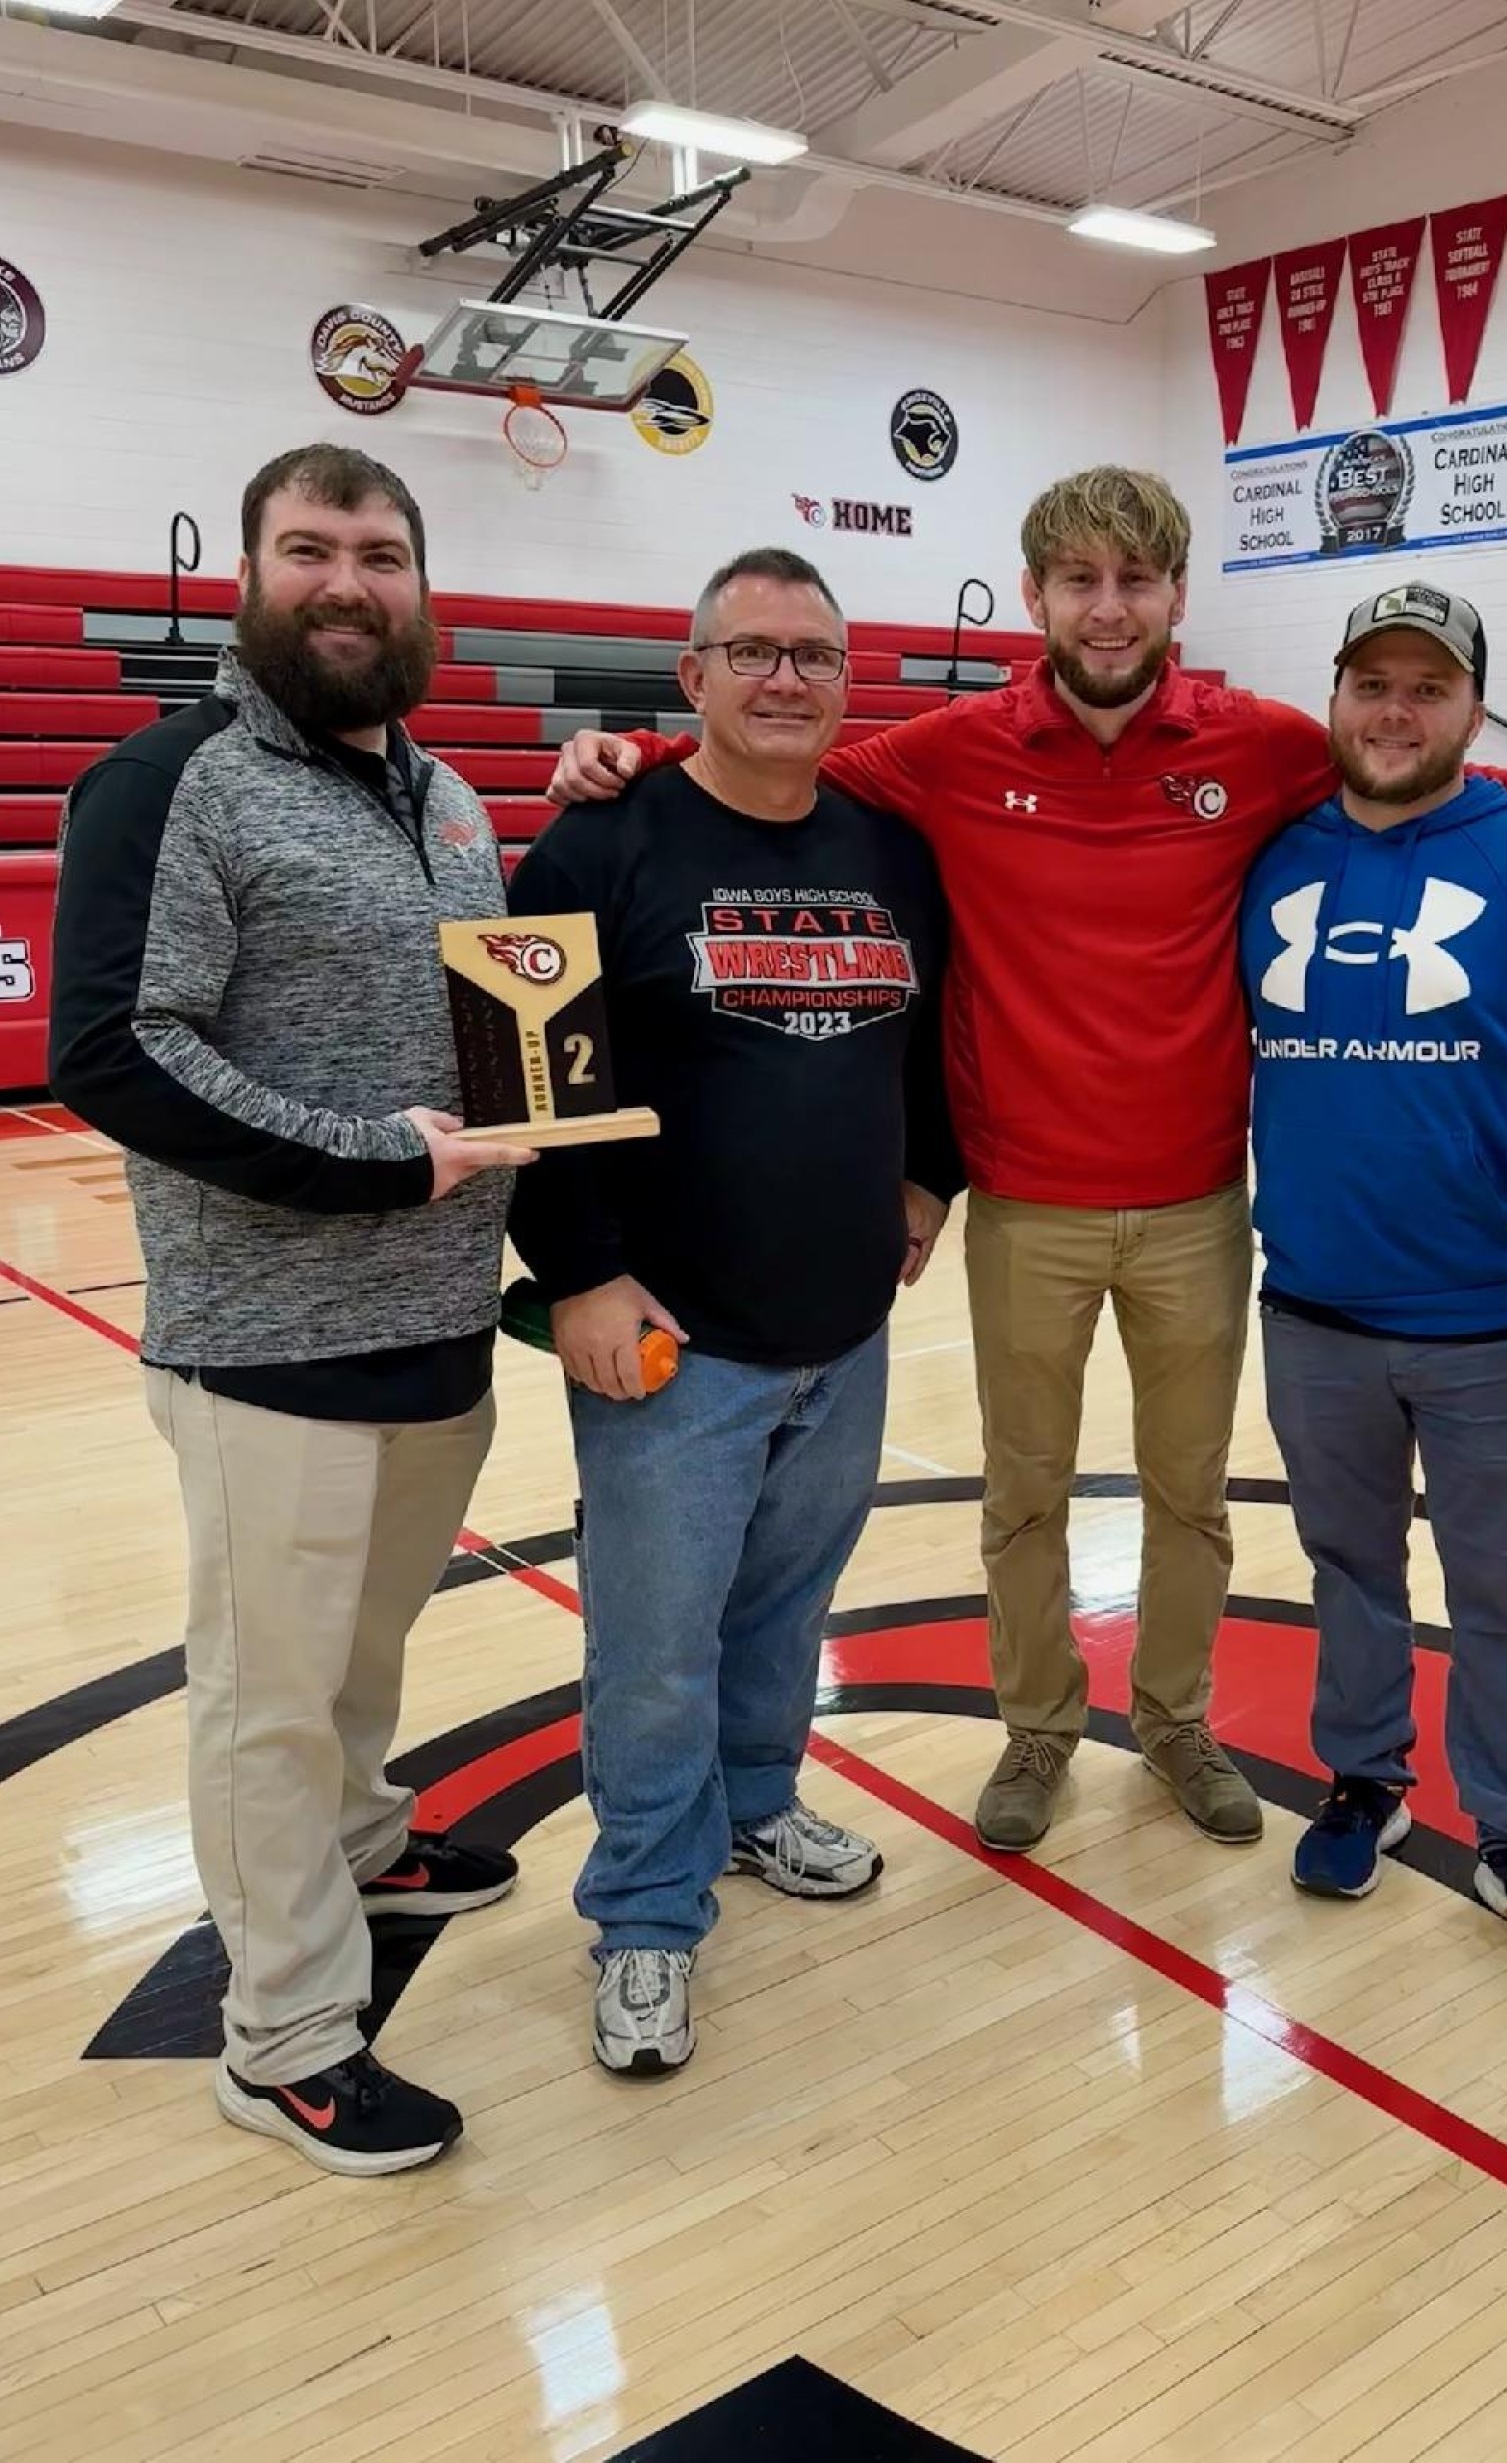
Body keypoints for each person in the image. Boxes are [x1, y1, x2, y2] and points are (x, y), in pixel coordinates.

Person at [545, 468, 1507, 1859]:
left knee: (1191, 1499)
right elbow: (754, 763)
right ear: (1037, 594)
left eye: (1136, 581)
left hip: (1198, 1209)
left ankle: (1175, 1724)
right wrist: (619, 750)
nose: (1108, 610)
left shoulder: (1267, 742)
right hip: (1028, 1209)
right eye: (1079, 581)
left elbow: (1407, 759)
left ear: (1177, 595)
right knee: (1024, 1494)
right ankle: (1038, 1732)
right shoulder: (946, 750)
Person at [48, 444, 534, 2176]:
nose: (349, 580)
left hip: (438, 1328)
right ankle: (287, 2040)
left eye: (382, 553)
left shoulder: (452, 796)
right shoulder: (167, 781)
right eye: (310, 548)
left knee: (364, 1656)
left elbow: (499, 1036)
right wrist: (365, 1164)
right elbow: (111, 1045)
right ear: (252, 575)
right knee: (263, 1698)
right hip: (264, 1344)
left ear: (423, 585)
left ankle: (369, 1831)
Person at [506, 547, 961, 2078]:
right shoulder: (592, 842)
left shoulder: (891, 852)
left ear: (847, 684)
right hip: (666, 1338)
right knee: (652, 1643)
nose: (785, 679)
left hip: (844, 1326)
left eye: (814, 656)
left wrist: (929, 1186)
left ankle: (757, 1805)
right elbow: (523, 1085)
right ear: (688, 678)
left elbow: (927, 1043)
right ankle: (642, 1912)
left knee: (784, 1607)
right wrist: (576, 1272)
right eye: (751, 652)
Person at [1241, 582, 1507, 1981]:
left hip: (1493, 1320)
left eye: (1428, 686)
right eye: (1373, 681)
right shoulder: (1271, 852)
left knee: (1505, 1591)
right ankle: (1365, 1776)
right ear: (1336, 698)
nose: (1395, 709)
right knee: (1349, 1568)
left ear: (1474, 709)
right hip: (1310, 1310)